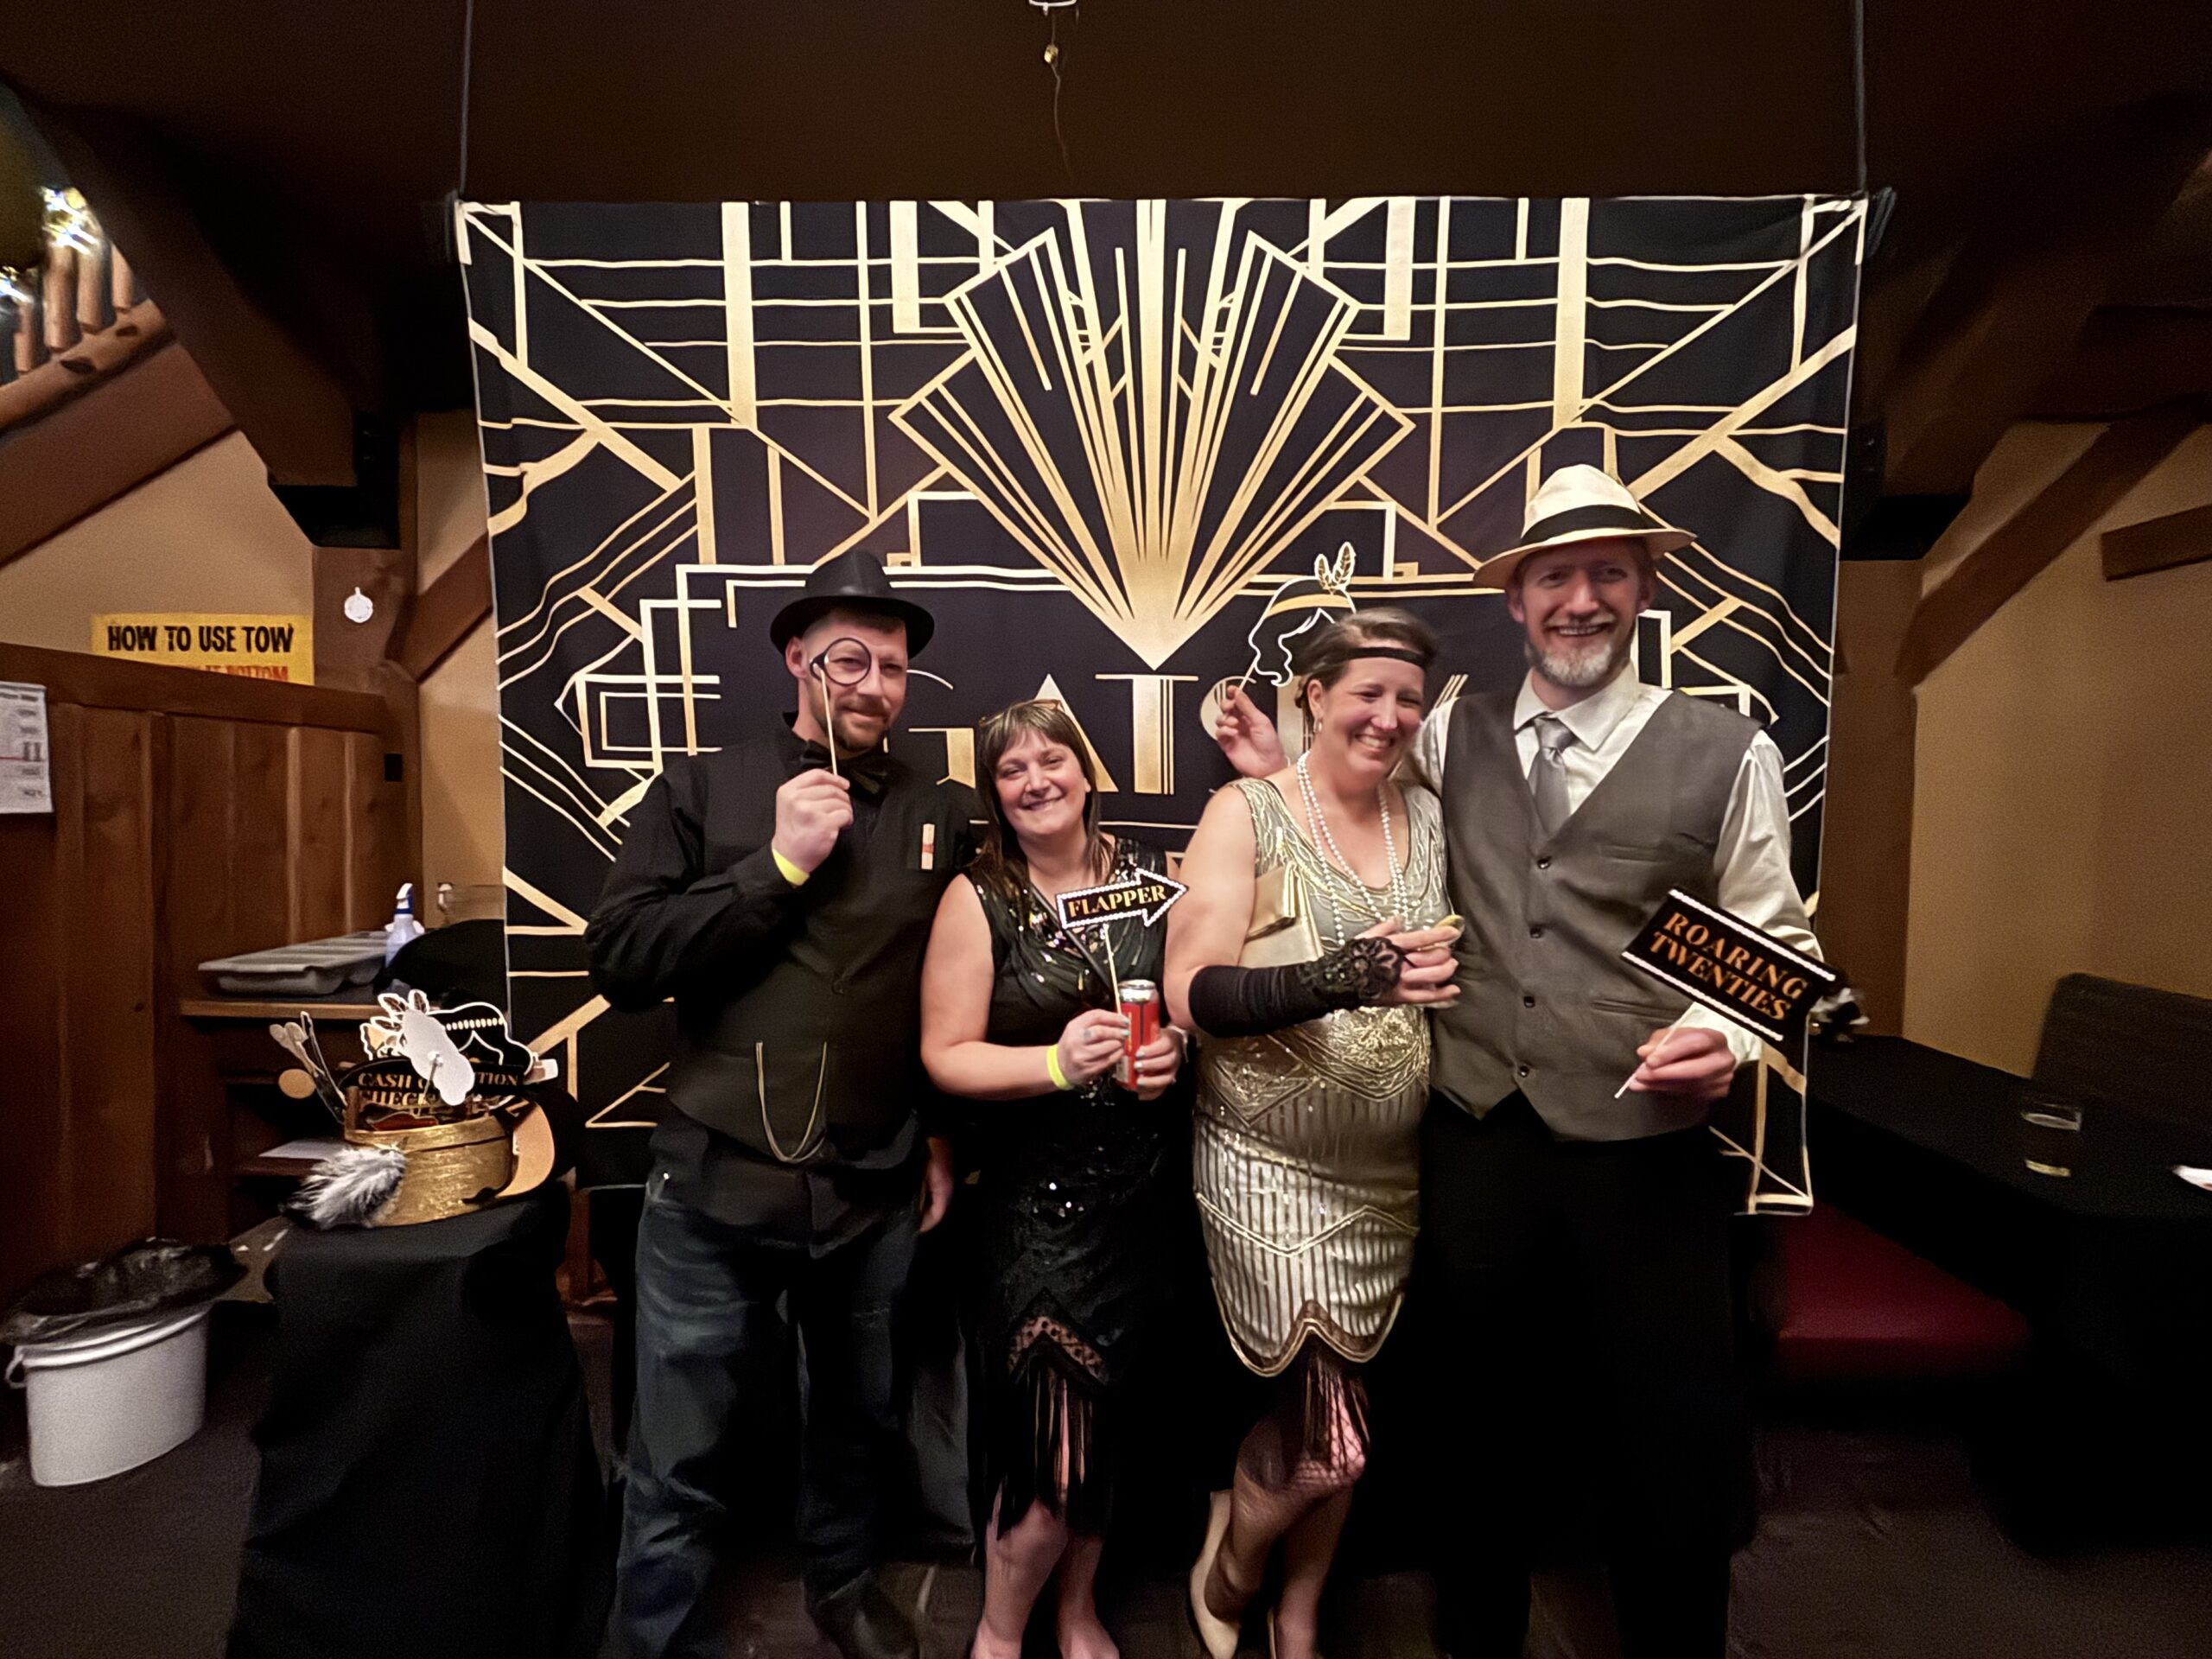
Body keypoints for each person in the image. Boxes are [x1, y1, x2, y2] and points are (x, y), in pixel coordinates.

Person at [1213, 466, 1822, 1658]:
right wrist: (1267, 769)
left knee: (1667, 1439)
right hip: (1477, 1133)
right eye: (1556, 577)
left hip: (1644, 1151)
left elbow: (1775, 944)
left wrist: (1728, 1035)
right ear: (1517, 600)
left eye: (1607, 573)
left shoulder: (1725, 749)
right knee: (1476, 1427)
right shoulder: (1450, 731)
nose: (1580, 599)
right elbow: (1351, 805)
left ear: (1645, 588)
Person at [586, 549, 976, 1659]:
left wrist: (943, 1134)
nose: (873, 685)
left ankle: (841, 1590)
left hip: (871, 1180)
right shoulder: (703, 787)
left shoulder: (941, 810)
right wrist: (776, 865)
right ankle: (653, 1636)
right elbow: (620, 959)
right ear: (797, 659)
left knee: (856, 1422)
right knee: (680, 1450)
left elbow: (957, 986)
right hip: (715, 1178)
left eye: (893, 667)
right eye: (850, 659)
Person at [1165, 609, 1461, 1659]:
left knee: (1343, 1413)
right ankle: (1233, 1568)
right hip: (1267, 1163)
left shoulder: (1430, 817)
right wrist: (1344, 974)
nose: (1388, 715)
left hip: (1386, 1171)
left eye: (1407, 698)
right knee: (1333, 1440)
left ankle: (1298, 1613)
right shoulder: (1244, 812)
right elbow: (1191, 992)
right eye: (1367, 693)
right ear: (1315, 698)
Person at [918, 699, 1192, 1659]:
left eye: (1052, 760)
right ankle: (998, 1636)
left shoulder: (1152, 882)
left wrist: (1173, 1053)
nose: (1036, 781)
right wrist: (1053, 1064)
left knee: (1110, 1430)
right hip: (1037, 1208)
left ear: (1086, 771)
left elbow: (1189, 1006)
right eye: (1012, 770)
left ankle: (1077, 1613)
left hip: (1144, 1201)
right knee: (1054, 1455)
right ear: (995, 794)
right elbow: (944, 1055)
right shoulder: (979, 896)